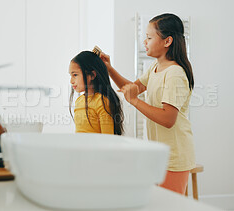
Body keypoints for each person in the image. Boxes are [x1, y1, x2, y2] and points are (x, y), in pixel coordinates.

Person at [100, 13, 195, 194]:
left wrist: (135, 102)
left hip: (174, 157)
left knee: (168, 207)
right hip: (158, 154)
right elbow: (131, 88)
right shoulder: (154, 68)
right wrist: (110, 69)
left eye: (149, 38)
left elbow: (168, 119)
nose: (145, 42)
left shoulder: (174, 73)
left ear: (167, 41)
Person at [69, 51, 124, 135]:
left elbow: (107, 139)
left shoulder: (102, 102)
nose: (71, 81)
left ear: (92, 75)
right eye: (71, 75)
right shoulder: (79, 100)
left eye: (75, 75)